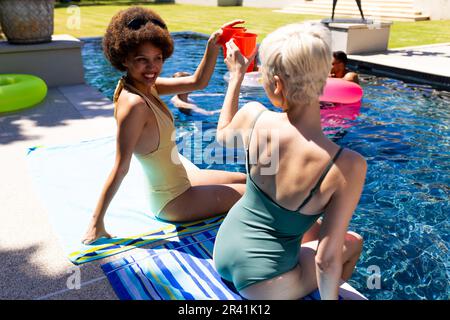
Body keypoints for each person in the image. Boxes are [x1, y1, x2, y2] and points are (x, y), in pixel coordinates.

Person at [213, 22, 366, 300]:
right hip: (264, 287)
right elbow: (326, 260)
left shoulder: (253, 115)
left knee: (306, 226)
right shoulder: (347, 165)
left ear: (278, 84)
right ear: (325, 79)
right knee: (353, 242)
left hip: (222, 253)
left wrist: (236, 76)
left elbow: (223, 135)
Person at [82, 7, 246, 245]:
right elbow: (120, 167)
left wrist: (212, 45)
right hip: (174, 201)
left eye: (157, 58)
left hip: (181, 182)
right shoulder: (135, 104)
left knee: (245, 178)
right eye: (142, 60)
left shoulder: (145, 86)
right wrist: (96, 224)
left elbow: (197, 82)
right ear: (124, 59)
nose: (152, 68)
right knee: (256, 195)